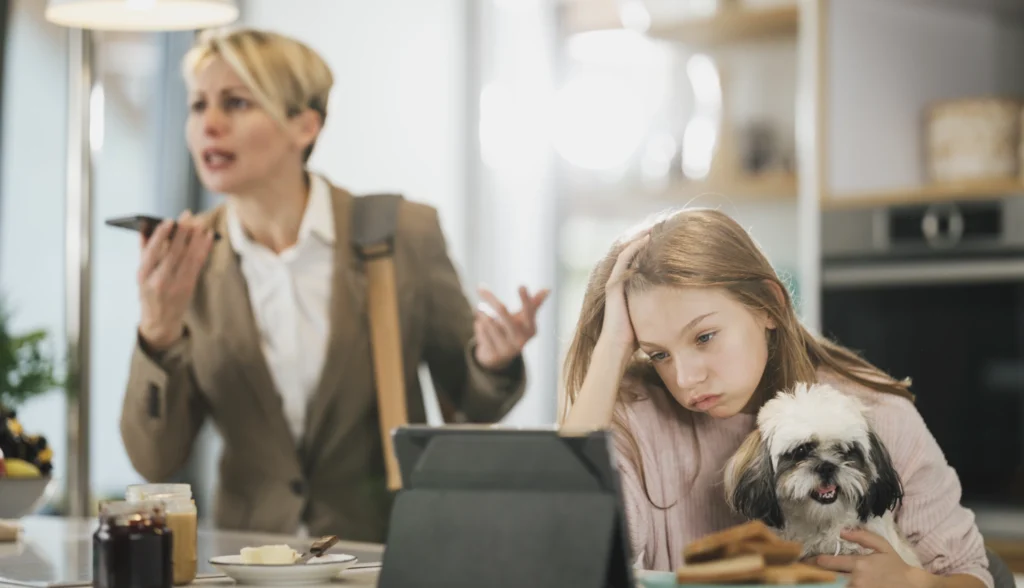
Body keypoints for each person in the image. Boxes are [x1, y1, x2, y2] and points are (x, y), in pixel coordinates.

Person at [119, 27, 548, 543]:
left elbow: (472, 404)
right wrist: (157, 333)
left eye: (236, 103)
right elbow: (154, 460)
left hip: (384, 551)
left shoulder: (400, 233)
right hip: (248, 559)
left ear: (305, 125)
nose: (208, 125)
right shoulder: (186, 258)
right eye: (197, 105)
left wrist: (494, 362)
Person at [559, 208, 994, 588]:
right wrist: (612, 346)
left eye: (705, 336)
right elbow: (566, 550)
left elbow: (971, 573)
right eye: (659, 354)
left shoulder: (877, 415)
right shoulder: (633, 420)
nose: (686, 377)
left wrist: (915, 586)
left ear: (768, 303)